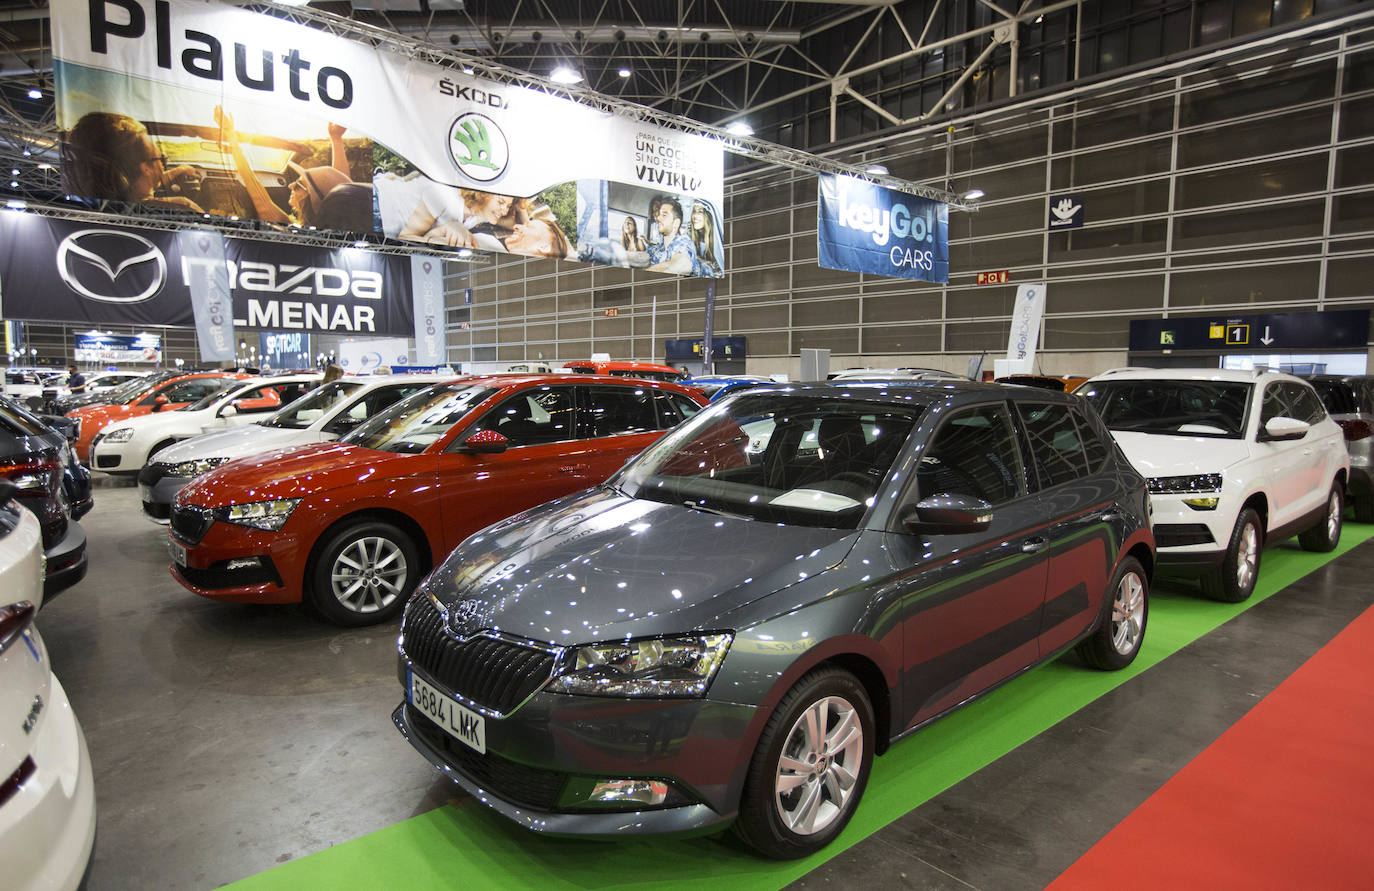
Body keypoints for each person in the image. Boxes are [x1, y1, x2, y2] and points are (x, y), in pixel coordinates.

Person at [214, 107, 361, 229]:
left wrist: (233, 142)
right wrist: (336, 138)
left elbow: (258, 195)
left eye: (298, 185)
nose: (291, 185)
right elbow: (342, 190)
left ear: (312, 200)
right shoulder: (332, 230)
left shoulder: (290, 227)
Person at [64, 112, 205, 211]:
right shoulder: (182, 206)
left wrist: (179, 170)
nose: (163, 165)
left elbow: (143, 184)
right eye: (162, 159)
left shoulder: (99, 200)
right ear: (146, 168)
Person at [399, 186, 514, 247]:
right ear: (483, 194)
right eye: (500, 202)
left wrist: (438, 233)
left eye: (508, 206)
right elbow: (404, 238)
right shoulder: (444, 197)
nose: (504, 211)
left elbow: (516, 224)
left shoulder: (479, 216)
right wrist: (437, 237)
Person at [645, 196, 696, 274]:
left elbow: (683, 264)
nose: (658, 218)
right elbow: (641, 257)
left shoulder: (683, 242)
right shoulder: (658, 248)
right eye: (659, 214)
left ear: (676, 223)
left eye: (664, 215)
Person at [688, 203, 722, 277]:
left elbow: (719, 271)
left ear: (708, 216)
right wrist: (702, 261)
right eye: (694, 211)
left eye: (700, 212)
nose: (695, 216)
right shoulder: (689, 233)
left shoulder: (717, 239)